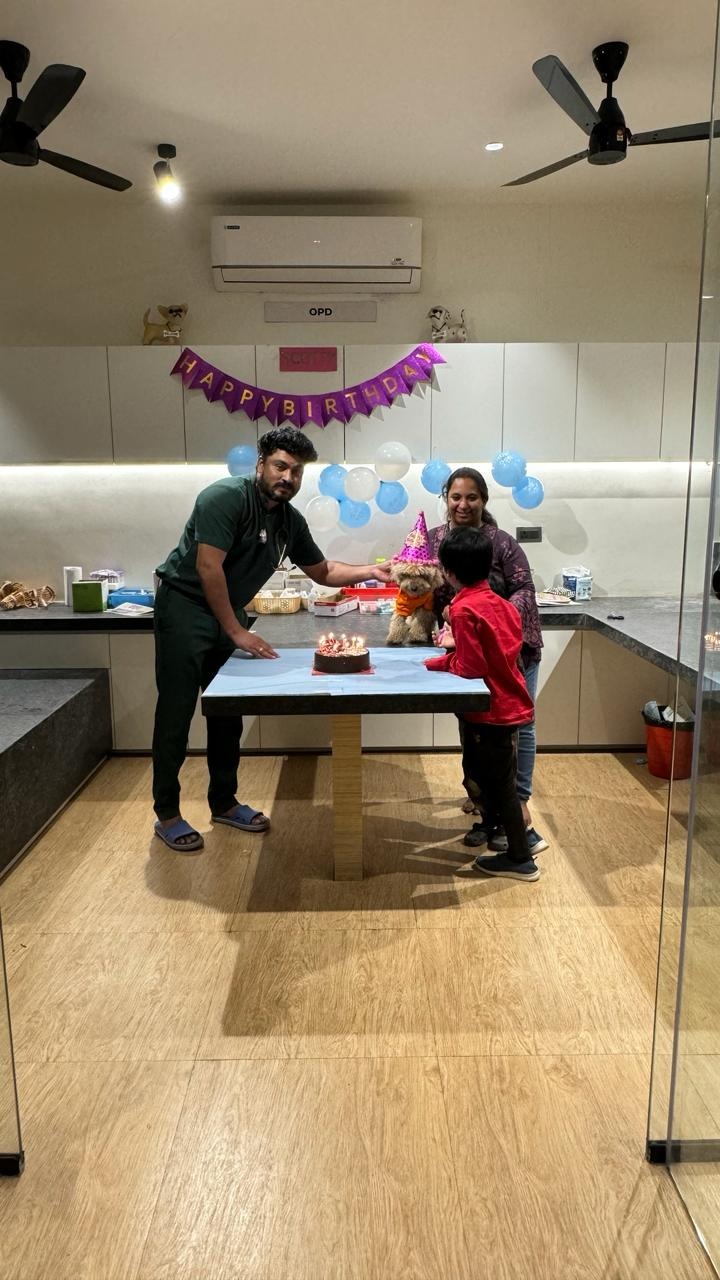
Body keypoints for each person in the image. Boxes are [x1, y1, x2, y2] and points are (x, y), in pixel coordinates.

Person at [152, 426, 391, 852]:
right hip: (185, 608)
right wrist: (236, 631)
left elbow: (323, 571)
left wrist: (370, 571)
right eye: (281, 466)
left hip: (228, 613)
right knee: (176, 712)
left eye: (297, 471)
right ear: (261, 464)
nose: (288, 477)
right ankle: (167, 812)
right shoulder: (224, 498)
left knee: (227, 713)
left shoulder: (289, 521)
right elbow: (208, 568)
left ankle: (224, 802)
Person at [428, 466, 547, 856]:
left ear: (484, 500)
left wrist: (490, 623)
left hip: (509, 654)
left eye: (472, 497)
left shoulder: (503, 543)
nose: (463, 504)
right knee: (474, 726)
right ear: (446, 499)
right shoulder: (432, 540)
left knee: (517, 727)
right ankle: (488, 810)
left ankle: (518, 803)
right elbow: (420, 586)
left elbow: (524, 589)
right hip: (463, 649)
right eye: (456, 497)